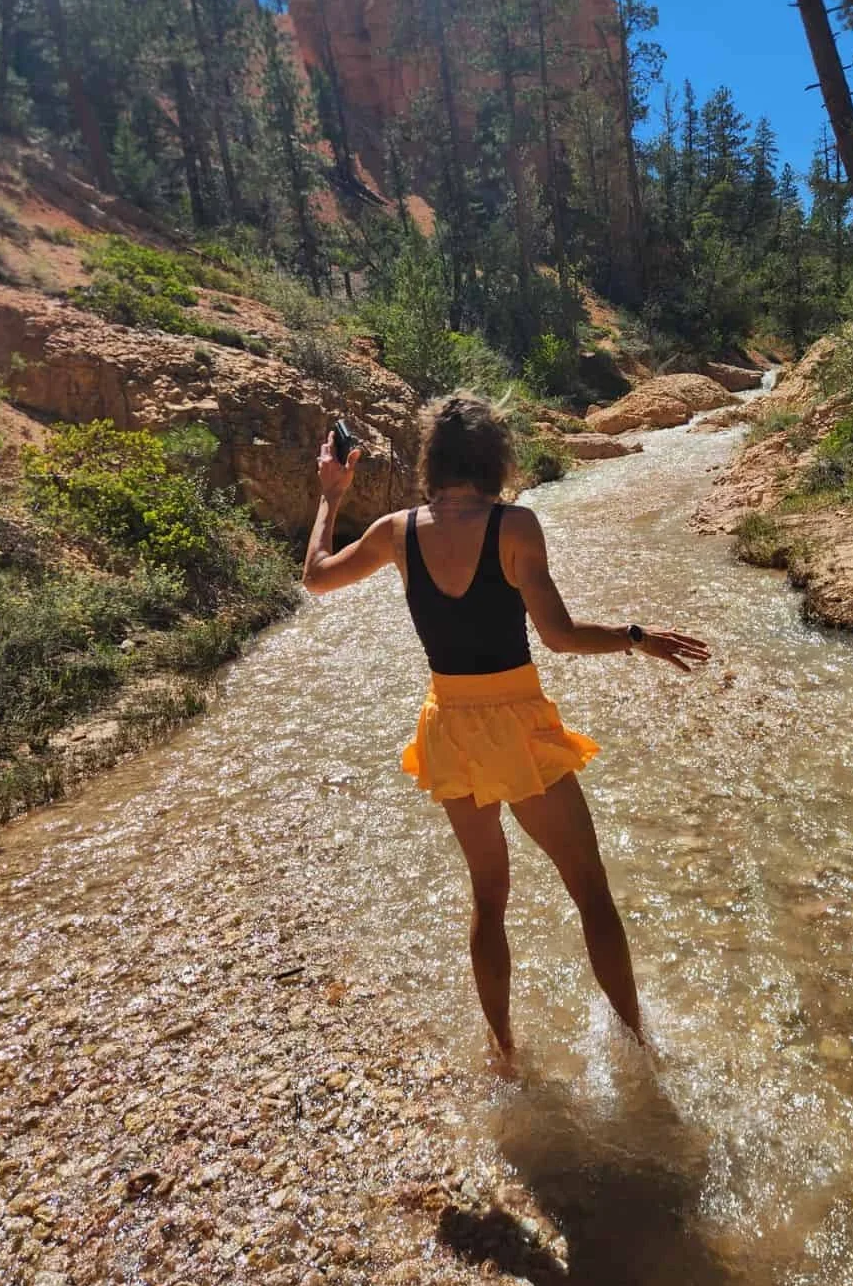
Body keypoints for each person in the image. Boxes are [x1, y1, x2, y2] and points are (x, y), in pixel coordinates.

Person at [302, 392, 709, 1063]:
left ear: (433, 459)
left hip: (449, 727)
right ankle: (639, 1047)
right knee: (590, 889)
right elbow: (560, 636)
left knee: (489, 896)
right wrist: (638, 637)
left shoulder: (395, 531)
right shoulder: (514, 527)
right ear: (496, 458)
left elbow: (316, 579)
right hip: (517, 726)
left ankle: (505, 1053)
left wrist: (331, 494)